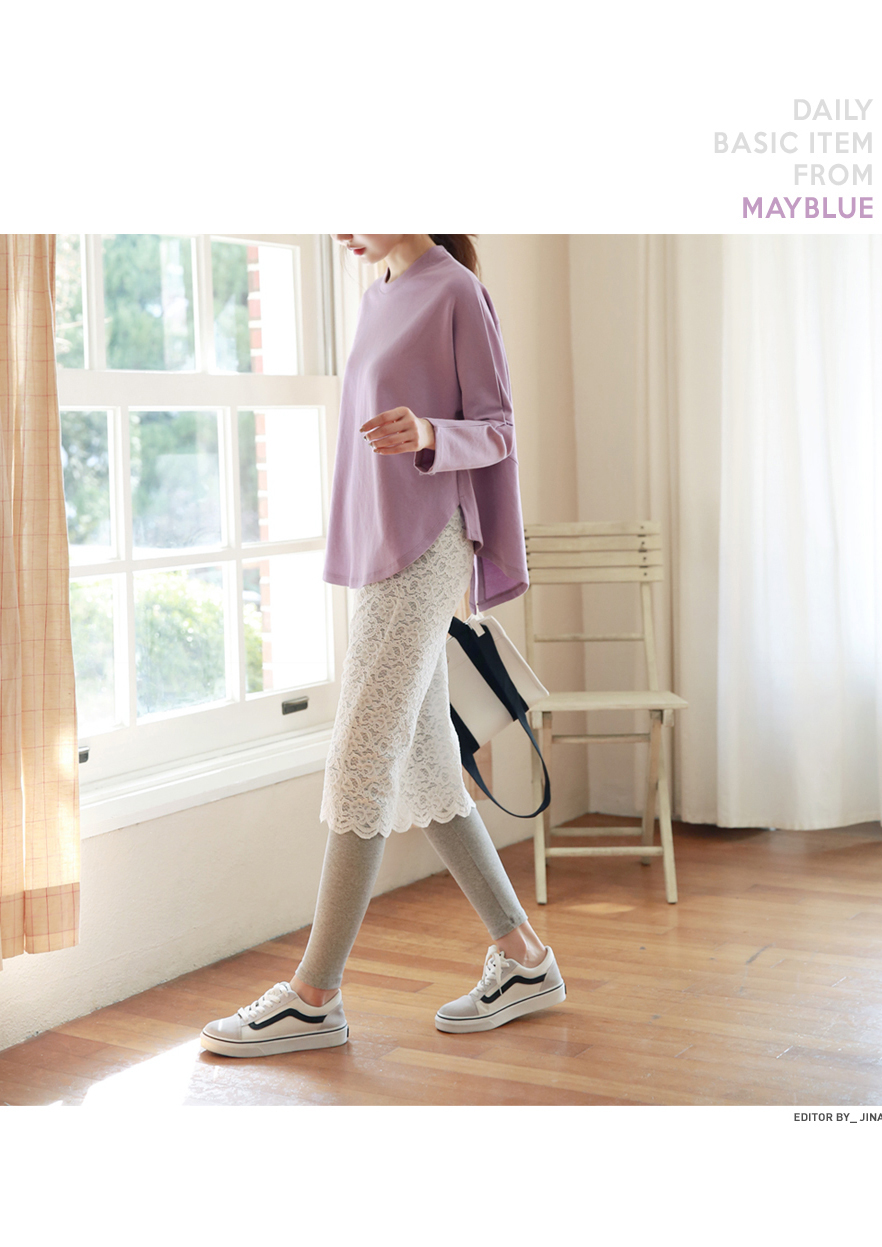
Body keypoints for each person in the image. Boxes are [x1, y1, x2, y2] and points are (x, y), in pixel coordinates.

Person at [200, 234, 565, 1058]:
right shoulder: (376, 298)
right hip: (384, 551)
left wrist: (430, 430)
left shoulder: (455, 291)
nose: (342, 229)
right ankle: (524, 957)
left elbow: (499, 430)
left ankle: (313, 996)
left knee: (361, 756)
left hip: (431, 544)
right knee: (428, 767)